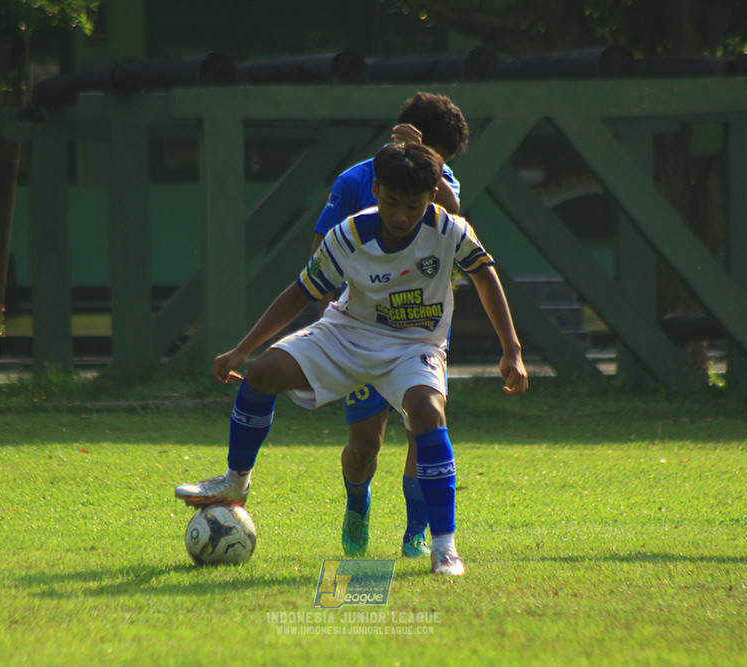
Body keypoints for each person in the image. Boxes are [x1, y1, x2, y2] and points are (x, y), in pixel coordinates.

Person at [176, 142, 528, 575]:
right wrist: (242, 350)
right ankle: (236, 481)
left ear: (432, 196)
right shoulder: (349, 235)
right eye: (392, 203)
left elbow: (486, 277)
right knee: (265, 372)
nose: (400, 216)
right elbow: (299, 293)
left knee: (427, 412)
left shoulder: (451, 230)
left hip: (414, 346)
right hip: (349, 333)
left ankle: (443, 546)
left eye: (413, 206)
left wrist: (511, 349)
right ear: (376, 190)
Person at [310, 92, 470, 560]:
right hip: (362, 329)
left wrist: (434, 167)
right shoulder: (357, 179)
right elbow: (324, 240)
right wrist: (326, 306)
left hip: (421, 330)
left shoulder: (440, 181)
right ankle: (357, 502)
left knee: (426, 425)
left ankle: (416, 533)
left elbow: (455, 211)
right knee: (365, 443)